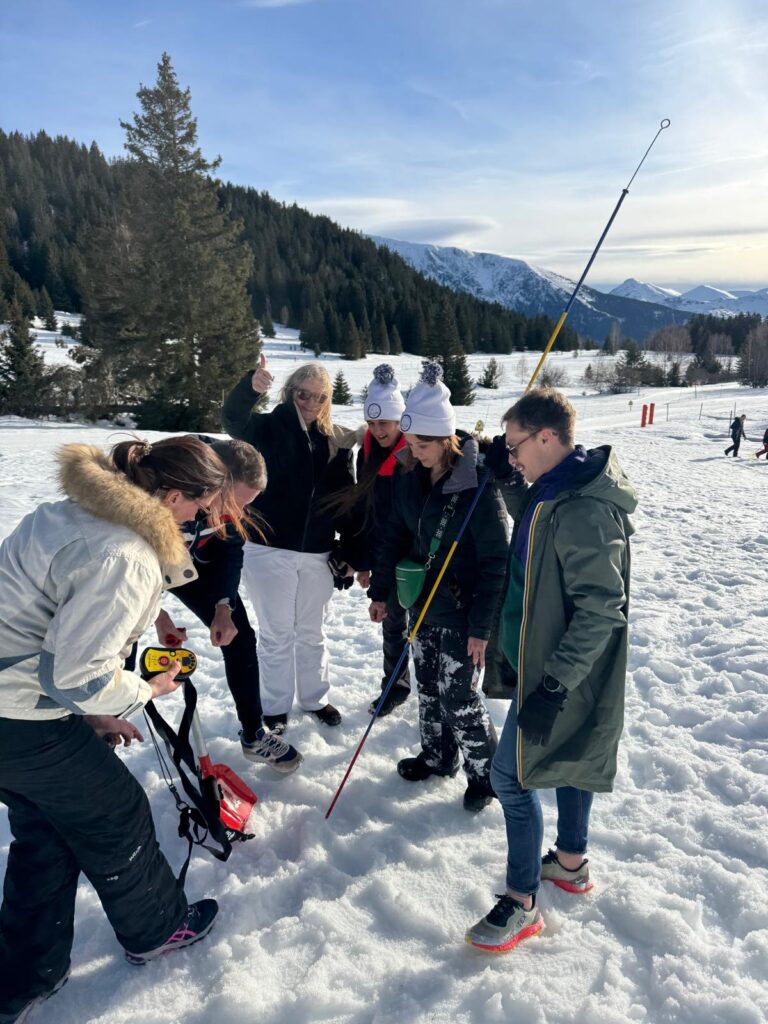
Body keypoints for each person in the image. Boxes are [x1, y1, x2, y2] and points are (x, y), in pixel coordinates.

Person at [0, 437, 228, 1023]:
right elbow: (74, 672)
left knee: (46, 826)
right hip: (18, 716)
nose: (199, 518)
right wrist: (143, 691)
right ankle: (156, 928)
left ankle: (24, 975)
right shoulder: (124, 553)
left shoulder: (74, 510)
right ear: (173, 494)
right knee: (114, 809)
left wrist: (93, 707)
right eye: (197, 506)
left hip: (15, 707)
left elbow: (51, 632)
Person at [466, 388, 636, 953]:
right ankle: (569, 862)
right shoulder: (556, 490)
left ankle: (522, 903)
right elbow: (539, 533)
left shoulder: (586, 508)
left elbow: (600, 608)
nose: (509, 456)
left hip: (560, 672)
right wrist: (511, 484)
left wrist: (555, 685)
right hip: (544, 659)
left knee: (509, 778)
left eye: (514, 446)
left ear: (546, 437)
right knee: (565, 761)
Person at [368, 363, 509, 812]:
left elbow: (495, 563)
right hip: (420, 605)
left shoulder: (476, 489)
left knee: (460, 695)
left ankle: (486, 774)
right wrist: (382, 593)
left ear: (446, 440)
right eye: (410, 443)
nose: (413, 452)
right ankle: (437, 755)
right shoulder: (410, 477)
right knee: (427, 687)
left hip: (464, 613)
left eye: (422, 445)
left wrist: (481, 628)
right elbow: (394, 536)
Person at [221, 356, 360, 734]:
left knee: (312, 631)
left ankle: (315, 699)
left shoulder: (333, 440)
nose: (311, 403)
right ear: (290, 392)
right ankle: (276, 707)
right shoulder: (266, 428)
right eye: (303, 394)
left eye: (319, 397)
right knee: (277, 633)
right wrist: (250, 387)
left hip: (317, 552)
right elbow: (233, 421)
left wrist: (348, 549)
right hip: (269, 549)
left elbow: (344, 497)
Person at [153, 438, 302, 773]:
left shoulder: (229, 504)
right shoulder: (169, 486)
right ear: (212, 479)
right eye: (231, 502)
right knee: (122, 639)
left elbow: (230, 551)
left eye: (245, 505)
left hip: (194, 564)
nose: (233, 513)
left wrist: (223, 605)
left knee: (239, 635)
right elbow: (126, 568)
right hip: (142, 565)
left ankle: (254, 734)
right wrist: (156, 613)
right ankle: (100, 727)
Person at [325, 364, 412, 718]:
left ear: (400, 421)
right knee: (392, 624)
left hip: (416, 552)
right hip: (385, 553)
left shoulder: (414, 451)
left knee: (423, 626)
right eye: (372, 424)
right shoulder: (366, 452)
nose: (378, 430)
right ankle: (395, 686)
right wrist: (365, 562)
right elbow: (368, 511)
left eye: (385, 424)